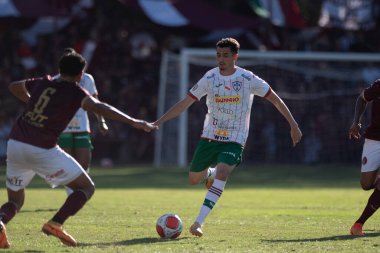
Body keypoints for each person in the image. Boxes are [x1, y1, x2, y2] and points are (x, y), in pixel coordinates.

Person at [0, 52, 156, 248]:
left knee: (15, 200)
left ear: (59, 69)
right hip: (41, 148)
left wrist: (32, 102)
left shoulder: (43, 82)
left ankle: (1, 222)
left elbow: (13, 86)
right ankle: (55, 223)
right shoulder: (75, 92)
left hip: (15, 144)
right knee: (86, 187)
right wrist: (134, 121)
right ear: (81, 74)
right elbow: (101, 107)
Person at [153, 38, 302, 237]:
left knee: (223, 173)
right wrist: (158, 122)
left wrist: (293, 125)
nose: (221, 59)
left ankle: (198, 222)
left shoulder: (247, 79)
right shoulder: (210, 78)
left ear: (235, 57)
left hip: (235, 137)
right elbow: (184, 103)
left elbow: (275, 99)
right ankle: (210, 174)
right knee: (193, 179)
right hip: (210, 136)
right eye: (218, 55)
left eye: (225, 55)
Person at [55, 48, 108, 194]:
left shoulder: (87, 79)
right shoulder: (54, 81)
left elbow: (95, 101)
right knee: (68, 160)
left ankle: (79, 186)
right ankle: (71, 190)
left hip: (82, 126)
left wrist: (101, 121)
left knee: (84, 161)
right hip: (63, 127)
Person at [348, 78, 380, 236]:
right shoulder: (379, 85)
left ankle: (358, 224)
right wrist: (356, 122)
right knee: (366, 184)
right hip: (374, 139)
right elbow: (362, 98)